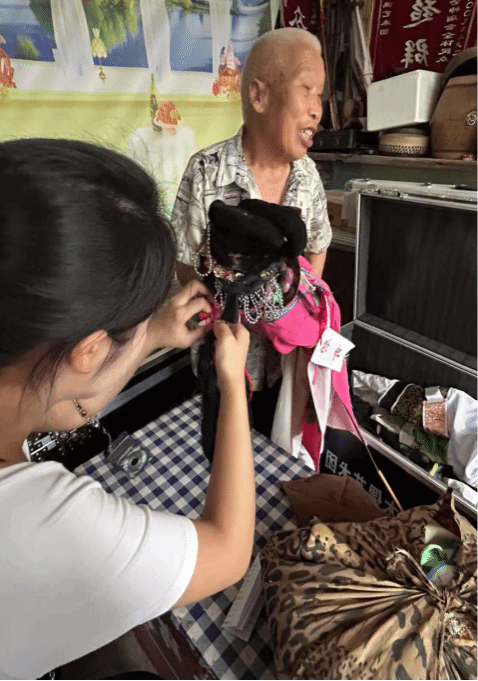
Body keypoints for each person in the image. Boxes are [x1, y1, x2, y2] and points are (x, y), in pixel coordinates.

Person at [0, 138, 253, 680]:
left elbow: (76, 375)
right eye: (135, 322)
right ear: (88, 351)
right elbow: (229, 550)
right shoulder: (46, 524)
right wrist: (233, 383)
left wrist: (147, 333)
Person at [172, 28, 332, 432]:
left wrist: (290, 312)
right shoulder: (206, 170)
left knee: (277, 449)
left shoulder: (308, 176)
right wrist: (236, 304)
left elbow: (317, 248)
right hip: (224, 359)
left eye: (320, 95)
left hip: (286, 362)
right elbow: (185, 264)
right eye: (306, 89)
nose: (317, 109)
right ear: (259, 96)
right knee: (221, 444)